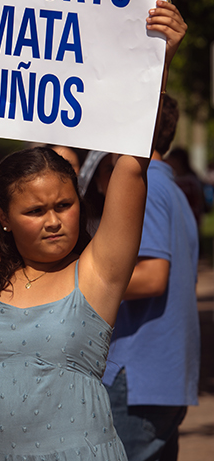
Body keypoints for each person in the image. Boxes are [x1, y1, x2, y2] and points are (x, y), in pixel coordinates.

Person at [0, 0, 187, 461]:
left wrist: (159, 59)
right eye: (35, 211)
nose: (54, 220)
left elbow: (131, 166)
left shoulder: (98, 274)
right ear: (3, 217)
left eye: (65, 205)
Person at [103, 94, 200, 461]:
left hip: (137, 375)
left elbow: (153, 276)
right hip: (165, 374)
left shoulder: (150, 188)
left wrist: (79, 283)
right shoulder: (170, 189)